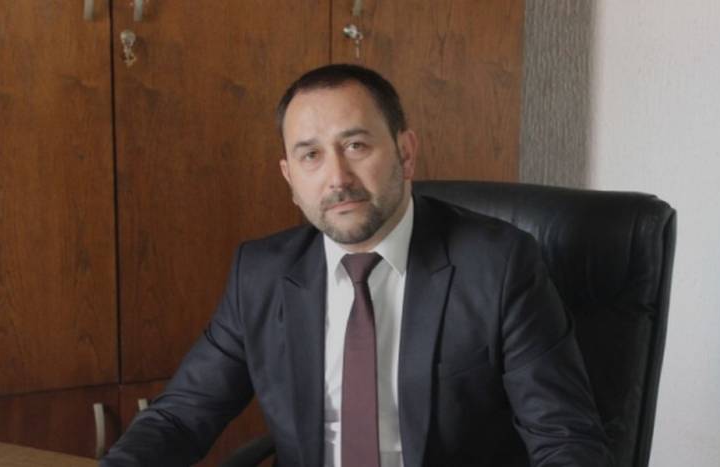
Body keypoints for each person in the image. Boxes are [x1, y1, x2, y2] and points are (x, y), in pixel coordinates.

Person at [102, 64, 613, 467]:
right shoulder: (260, 274)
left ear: (405, 153)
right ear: (290, 177)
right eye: (310, 155)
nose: (337, 178)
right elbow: (180, 417)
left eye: (356, 145)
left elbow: (566, 440)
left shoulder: (498, 266)